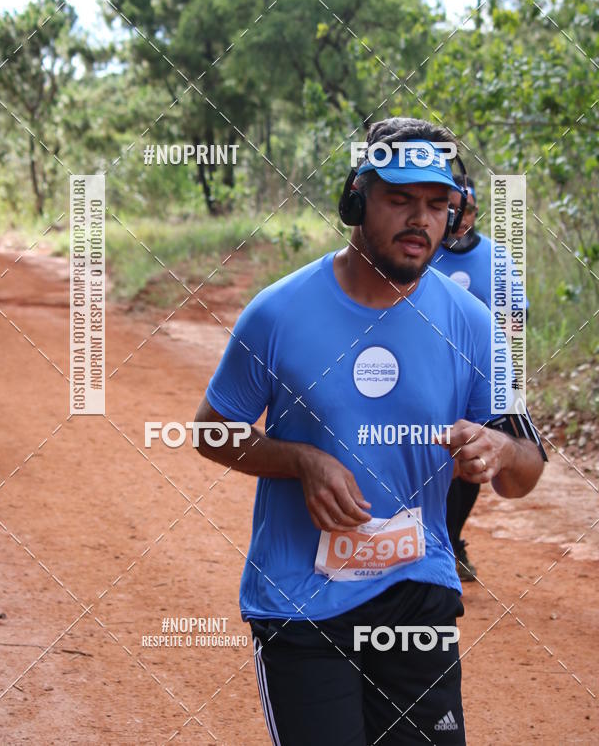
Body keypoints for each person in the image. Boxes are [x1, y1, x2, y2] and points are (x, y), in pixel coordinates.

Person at [194, 117, 546, 745]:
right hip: (301, 601)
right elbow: (210, 433)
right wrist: (299, 459)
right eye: (400, 199)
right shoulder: (278, 313)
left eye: (437, 205)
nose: (420, 220)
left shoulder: (471, 323)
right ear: (356, 199)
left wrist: (497, 450)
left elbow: (527, 470)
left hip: (417, 594)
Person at [431, 176, 528, 581]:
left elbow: (515, 320)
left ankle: (450, 539)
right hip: (430, 375)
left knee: (470, 460)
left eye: (466, 211)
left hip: (478, 379)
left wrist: (506, 374)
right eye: (451, 211)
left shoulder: (497, 258)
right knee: (434, 459)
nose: (459, 220)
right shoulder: (422, 255)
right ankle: (432, 540)